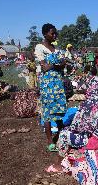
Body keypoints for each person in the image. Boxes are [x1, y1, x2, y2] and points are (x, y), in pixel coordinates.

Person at [34, 23, 67, 152]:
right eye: (52, 33)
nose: (54, 35)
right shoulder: (39, 47)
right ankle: (50, 141)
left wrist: (56, 63)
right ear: (45, 34)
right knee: (47, 112)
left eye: (55, 33)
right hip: (48, 84)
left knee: (59, 111)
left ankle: (59, 137)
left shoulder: (56, 48)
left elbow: (63, 64)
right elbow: (45, 67)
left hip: (58, 83)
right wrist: (57, 63)